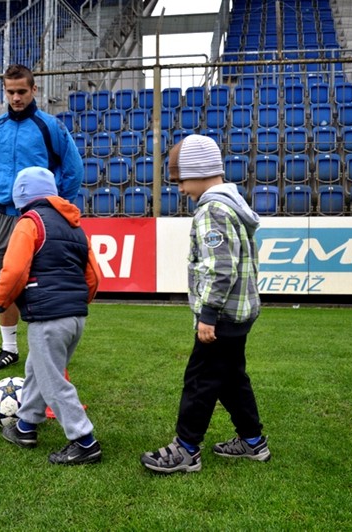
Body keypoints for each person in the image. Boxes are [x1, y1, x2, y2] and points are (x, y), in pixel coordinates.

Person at [140, 134, 269, 474]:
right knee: (231, 379)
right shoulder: (233, 204)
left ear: (198, 172)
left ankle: (186, 449)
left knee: (200, 380)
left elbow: (220, 267)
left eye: (181, 180)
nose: (180, 188)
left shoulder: (212, 211)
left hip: (221, 316)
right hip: (239, 312)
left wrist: (208, 314)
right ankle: (253, 441)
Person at [0, 166, 102, 465]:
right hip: (75, 316)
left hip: (48, 316)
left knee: (52, 381)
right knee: (37, 369)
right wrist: (75, 303)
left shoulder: (29, 222)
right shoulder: (74, 226)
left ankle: (84, 442)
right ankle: (25, 427)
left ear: (21, 195)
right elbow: (93, 276)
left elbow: (14, 271)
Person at [0, 63, 84, 371]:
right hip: (2, 214)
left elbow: (74, 168)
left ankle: (48, 348)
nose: (16, 98)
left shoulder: (49, 125)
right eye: (10, 92)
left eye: (22, 91)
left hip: (40, 216)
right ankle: (9, 348)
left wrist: (58, 204)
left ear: (34, 89)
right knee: (5, 279)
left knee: (43, 280)